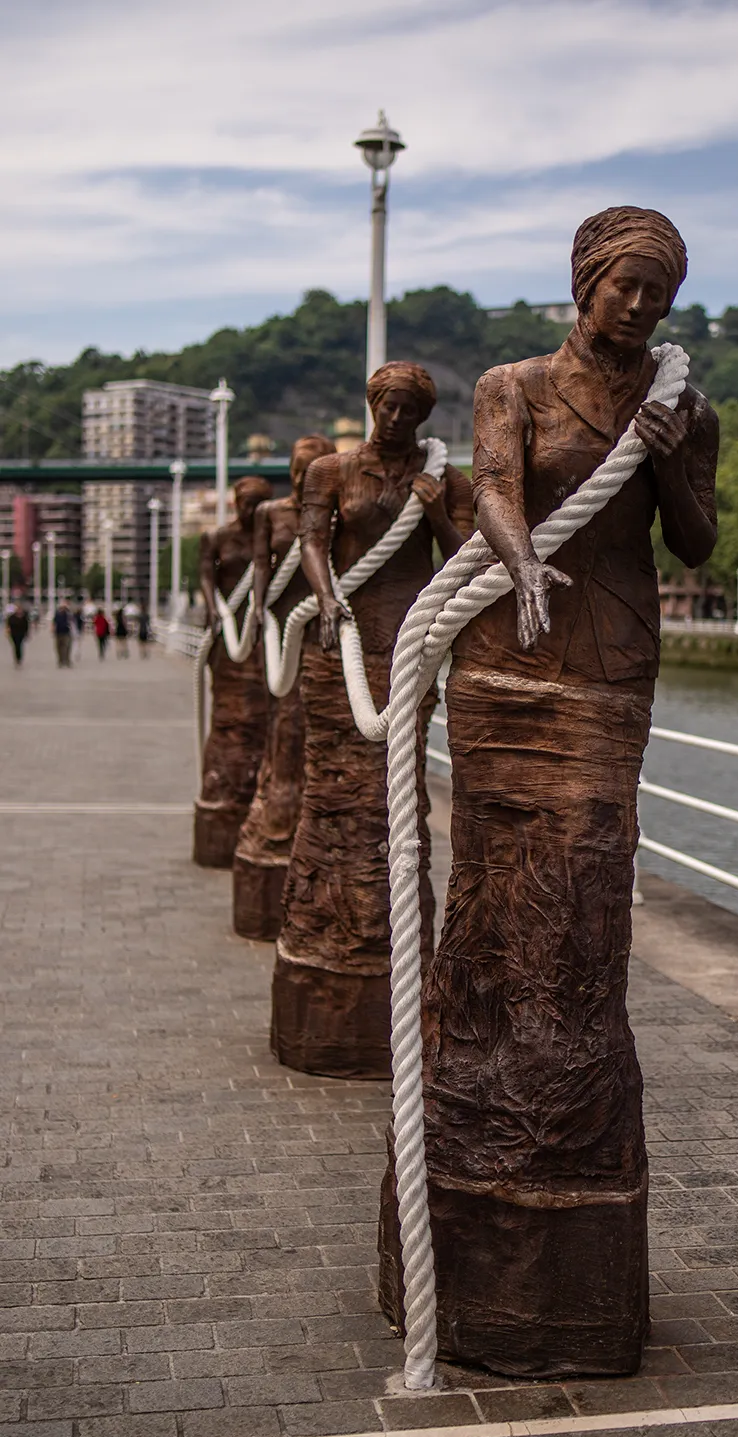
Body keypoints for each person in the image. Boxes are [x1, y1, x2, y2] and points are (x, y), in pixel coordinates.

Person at [378, 207, 719, 1377]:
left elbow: (698, 542)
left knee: (582, 889)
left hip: (607, 663)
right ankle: (476, 1105)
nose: (637, 307)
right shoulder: (513, 383)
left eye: (656, 293)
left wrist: (672, 457)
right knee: (487, 893)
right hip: (505, 661)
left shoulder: (678, 407)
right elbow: (494, 491)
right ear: (584, 279)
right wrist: (518, 561)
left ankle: (562, 1131)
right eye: (623, 285)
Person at [271, 363, 474, 1076]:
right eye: (385, 404)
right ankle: (331, 924)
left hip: (411, 640)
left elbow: (466, 560)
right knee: (337, 784)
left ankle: (397, 938)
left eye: (406, 408)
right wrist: (326, 599)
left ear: (421, 416)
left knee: (399, 784)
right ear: (370, 405)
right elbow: (313, 541)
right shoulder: (332, 470)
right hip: (346, 639)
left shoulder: (442, 475)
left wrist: (439, 511)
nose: (393, 417)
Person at [232, 434, 335, 940]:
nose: (302, 479)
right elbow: (259, 565)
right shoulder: (271, 514)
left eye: (311, 469)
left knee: (313, 721)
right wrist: (255, 608)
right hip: (281, 627)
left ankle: (304, 817)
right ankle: (277, 808)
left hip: (321, 627)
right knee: (285, 718)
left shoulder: (331, 508)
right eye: (296, 469)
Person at [194, 477, 272, 867]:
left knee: (262, 704)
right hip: (228, 627)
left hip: (257, 630)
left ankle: (254, 785)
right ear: (235, 502)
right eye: (246, 502)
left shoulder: (269, 536)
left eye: (259, 503)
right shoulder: (218, 537)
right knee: (227, 710)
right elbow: (206, 574)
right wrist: (212, 606)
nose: (251, 509)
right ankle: (221, 785)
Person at [53, 602, 73, 667]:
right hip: (58, 633)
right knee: (58, 647)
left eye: (64, 607)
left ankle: (67, 660)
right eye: (62, 607)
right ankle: (60, 660)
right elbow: (54, 623)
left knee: (67, 647)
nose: (63, 609)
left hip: (66, 633)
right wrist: (52, 630)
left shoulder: (68, 615)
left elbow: (72, 623)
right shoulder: (57, 615)